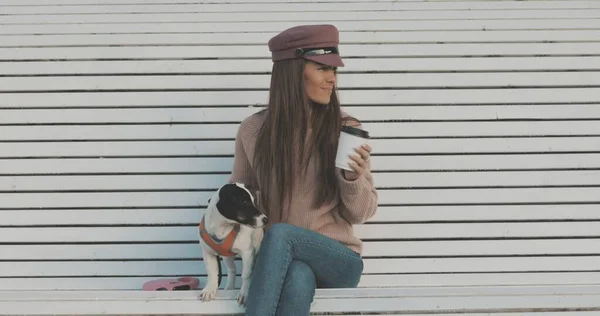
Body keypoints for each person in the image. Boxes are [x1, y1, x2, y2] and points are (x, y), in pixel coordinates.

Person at [228, 24, 378, 316]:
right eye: (322, 69)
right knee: (298, 277)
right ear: (293, 71)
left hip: (338, 259)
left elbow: (362, 213)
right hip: (280, 262)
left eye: (334, 71)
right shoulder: (253, 130)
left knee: (283, 234)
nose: (331, 80)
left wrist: (352, 179)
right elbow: (239, 202)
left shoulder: (344, 129)